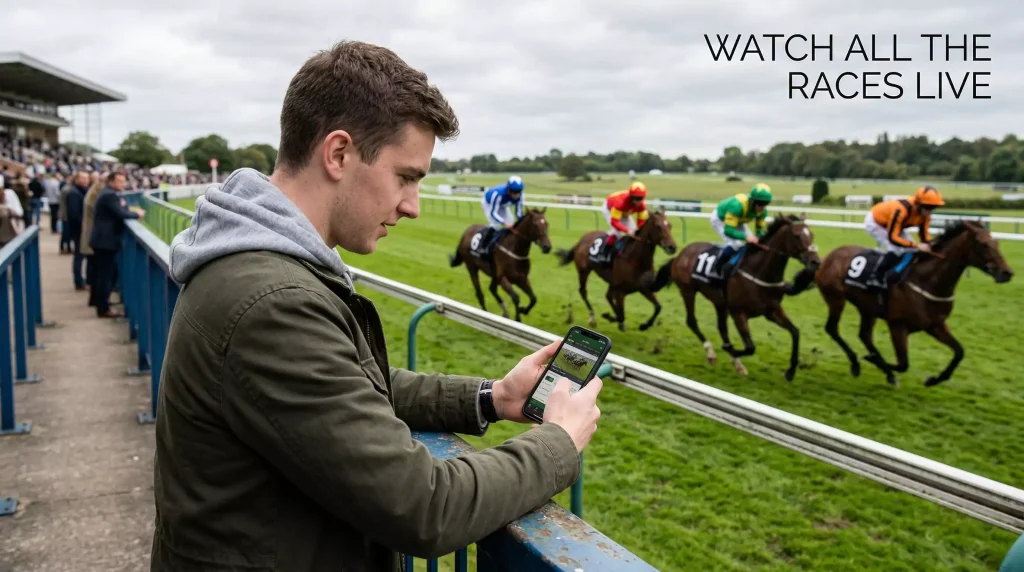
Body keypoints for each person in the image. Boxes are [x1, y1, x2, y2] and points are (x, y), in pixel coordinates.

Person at [153, 41, 603, 572]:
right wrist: (558, 443)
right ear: (338, 154)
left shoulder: (263, 266)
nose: (411, 206)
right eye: (406, 177)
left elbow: (350, 387)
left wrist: (492, 397)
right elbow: (425, 505)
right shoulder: (273, 304)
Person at [864, 185, 945, 286]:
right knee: (895, 250)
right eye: (928, 207)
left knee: (912, 251)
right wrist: (916, 245)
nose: (930, 211)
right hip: (875, 222)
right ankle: (875, 277)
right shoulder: (901, 210)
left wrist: (929, 244)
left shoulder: (926, 215)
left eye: (933, 207)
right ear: (918, 204)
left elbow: (924, 234)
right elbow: (893, 238)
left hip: (894, 225)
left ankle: (899, 272)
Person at [88, 172, 142, 317]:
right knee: (105, 275)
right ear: (110, 181)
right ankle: (103, 308)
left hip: (103, 240)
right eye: (119, 182)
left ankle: (99, 302)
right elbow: (122, 213)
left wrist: (126, 209)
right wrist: (138, 214)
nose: (122, 185)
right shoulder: (109, 195)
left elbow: (122, 209)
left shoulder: (108, 193)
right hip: (105, 241)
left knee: (103, 274)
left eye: (123, 182)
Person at [709, 183, 772, 279]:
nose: (762, 207)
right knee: (735, 245)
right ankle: (715, 269)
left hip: (738, 220)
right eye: (760, 203)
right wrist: (746, 237)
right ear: (753, 201)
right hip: (720, 219)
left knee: (752, 244)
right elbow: (728, 230)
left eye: (765, 204)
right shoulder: (737, 205)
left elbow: (759, 231)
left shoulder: (763, 212)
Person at [597, 181, 649, 262]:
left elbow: (640, 223)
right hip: (609, 209)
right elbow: (614, 222)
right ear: (631, 197)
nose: (639, 201)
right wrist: (627, 230)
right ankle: (603, 254)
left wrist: (637, 231)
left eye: (641, 198)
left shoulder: (642, 205)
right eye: (636, 198)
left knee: (635, 234)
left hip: (625, 212)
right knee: (617, 234)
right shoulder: (620, 202)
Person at [478, 175, 525, 256]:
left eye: (518, 192)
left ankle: (507, 244)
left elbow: (519, 213)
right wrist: (504, 223)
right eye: (514, 192)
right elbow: (493, 213)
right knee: (497, 225)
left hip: (503, 205)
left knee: (512, 223)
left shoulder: (520, 196)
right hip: (488, 203)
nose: (516, 195)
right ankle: (483, 247)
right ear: (508, 189)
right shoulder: (498, 194)